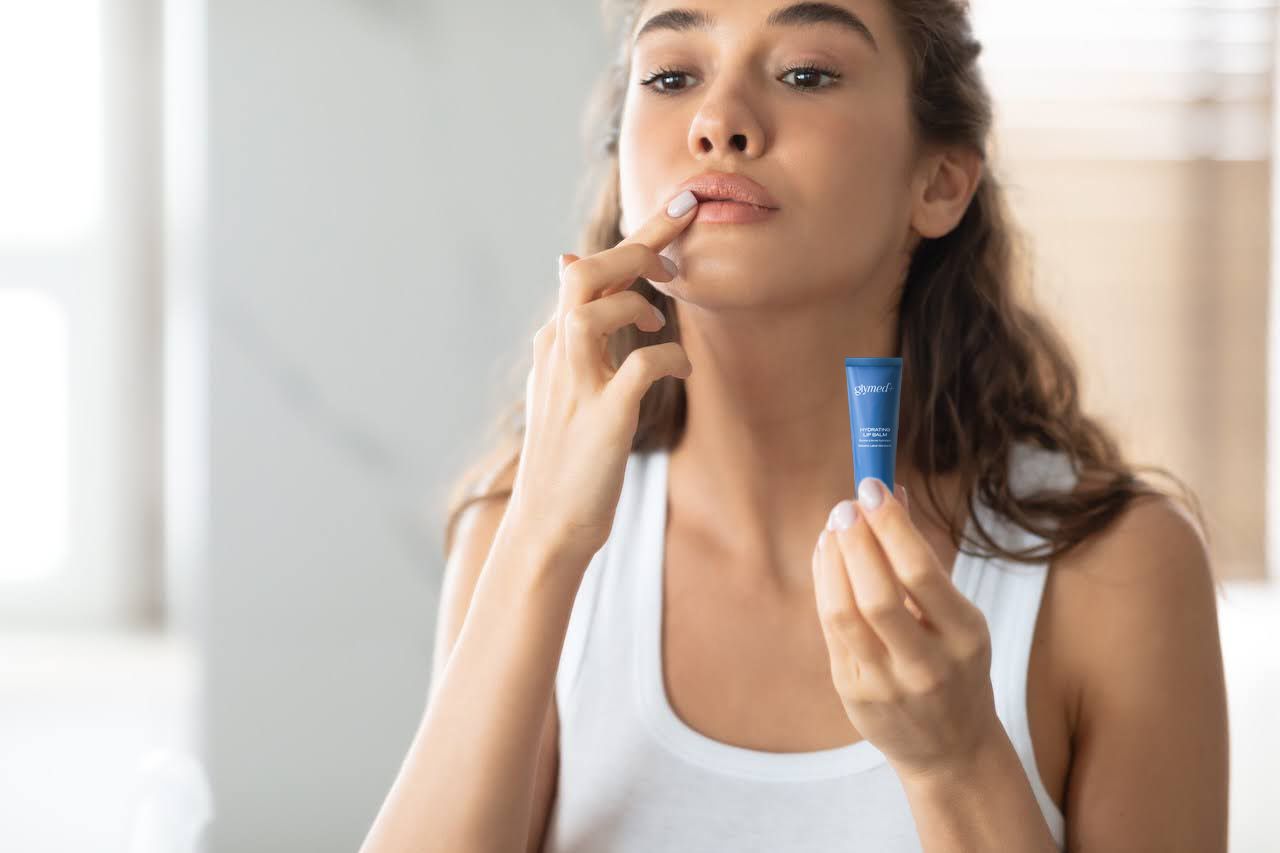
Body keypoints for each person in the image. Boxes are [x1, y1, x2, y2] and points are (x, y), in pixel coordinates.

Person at [361, 1, 1230, 850]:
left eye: (806, 73)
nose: (718, 121)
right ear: (622, 162)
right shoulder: (514, 535)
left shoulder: (1116, 572)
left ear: (938, 183)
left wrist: (957, 762)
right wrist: (541, 542)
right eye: (671, 75)